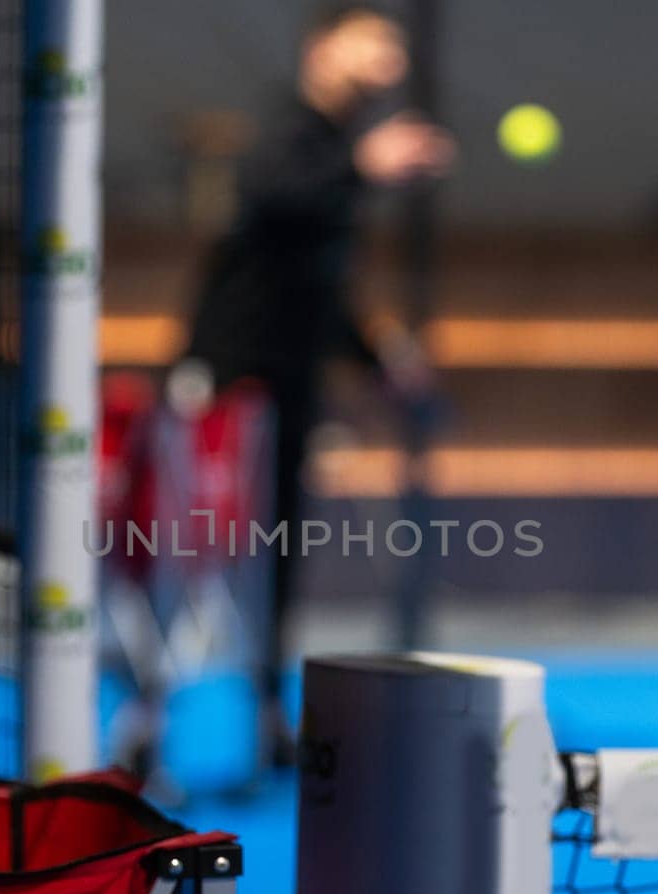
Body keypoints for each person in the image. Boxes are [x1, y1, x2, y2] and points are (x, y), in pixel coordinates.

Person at [178, 2, 454, 768]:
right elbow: (273, 191)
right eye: (370, 41)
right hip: (230, 384)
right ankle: (149, 722)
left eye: (394, 49)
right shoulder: (291, 135)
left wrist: (378, 358)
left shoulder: (335, 156)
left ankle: (268, 711)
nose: (386, 59)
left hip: (291, 386)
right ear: (320, 47)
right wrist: (365, 164)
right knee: (197, 557)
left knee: (277, 552)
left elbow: (319, 289)